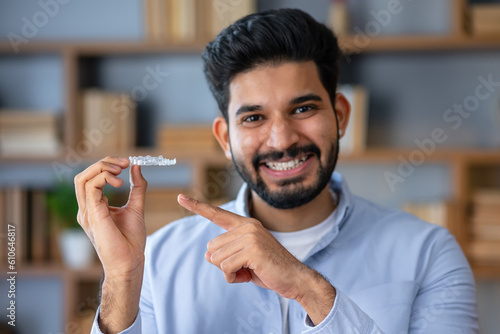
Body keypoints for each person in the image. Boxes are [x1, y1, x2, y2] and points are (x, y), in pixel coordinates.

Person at [76, 8, 478, 334]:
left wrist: (308, 288)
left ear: (340, 116)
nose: (282, 140)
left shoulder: (429, 254)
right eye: (253, 118)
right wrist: (123, 278)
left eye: (303, 109)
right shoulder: (160, 258)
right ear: (225, 137)